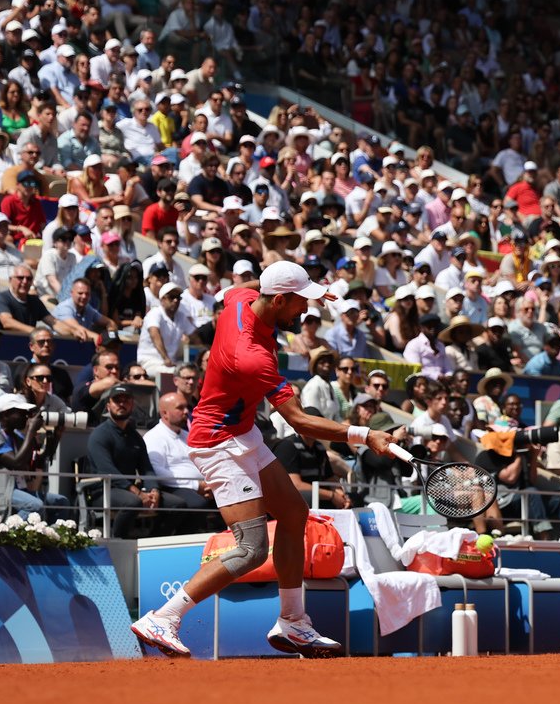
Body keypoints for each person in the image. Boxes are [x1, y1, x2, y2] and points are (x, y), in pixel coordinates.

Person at [130, 261, 396, 659]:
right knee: (251, 548)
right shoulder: (252, 355)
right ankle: (164, 617)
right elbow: (300, 421)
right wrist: (363, 435)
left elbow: (246, 285)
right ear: (279, 300)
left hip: (241, 432)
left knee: (293, 514)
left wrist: (315, 289)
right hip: (217, 442)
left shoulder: (242, 300)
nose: (304, 312)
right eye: (299, 304)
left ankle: (293, 622)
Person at [85, 382, 189, 538]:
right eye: (117, 400)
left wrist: (154, 490)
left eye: (126, 400)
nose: (122, 404)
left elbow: (146, 468)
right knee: (133, 502)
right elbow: (108, 471)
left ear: (132, 405)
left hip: (130, 490)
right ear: (108, 406)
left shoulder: (134, 436)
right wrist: (138, 493)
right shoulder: (100, 435)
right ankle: (118, 540)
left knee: (177, 504)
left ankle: (154, 541)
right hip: (103, 490)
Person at [144, 391, 216, 533]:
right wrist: (195, 486)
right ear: (164, 413)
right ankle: (181, 538)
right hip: (172, 486)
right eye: (180, 408)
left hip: (200, 486)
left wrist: (210, 483)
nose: (186, 412)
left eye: (186, 407)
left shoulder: (187, 436)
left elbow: (203, 460)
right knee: (197, 504)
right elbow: (157, 471)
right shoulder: (154, 437)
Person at [0, 392, 71, 520]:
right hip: (3, 492)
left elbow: (38, 462)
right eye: (21, 412)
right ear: (5, 415)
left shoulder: (16, 437)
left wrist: (55, 438)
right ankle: (5, 532)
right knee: (35, 506)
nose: (26, 416)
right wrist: (31, 432)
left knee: (61, 502)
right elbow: (15, 463)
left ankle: (52, 538)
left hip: (19, 490)